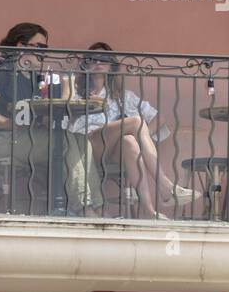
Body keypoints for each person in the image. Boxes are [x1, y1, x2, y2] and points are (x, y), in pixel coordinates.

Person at [0, 22, 95, 213]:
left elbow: (58, 110)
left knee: (81, 141)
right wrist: (8, 124)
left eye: (45, 48)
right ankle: (83, 209)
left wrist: (66, 87)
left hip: (28, 140)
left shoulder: (38, 79)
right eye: (39, 47)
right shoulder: (0, 69)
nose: (43, 52)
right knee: (63, 140)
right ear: (21, 47)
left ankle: (89, 207)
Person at [71, 42, 192, 219]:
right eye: (93, 58)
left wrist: (142, 134)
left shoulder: (123, 96)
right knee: (135, 121)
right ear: (86, 64)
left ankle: (149, 211)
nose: (98, 61)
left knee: (130, 142)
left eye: (104, 58)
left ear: (112, 64)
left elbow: (160, 118)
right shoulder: (76, 93)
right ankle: (165, 185)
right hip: (86, 145)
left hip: (112, 150)